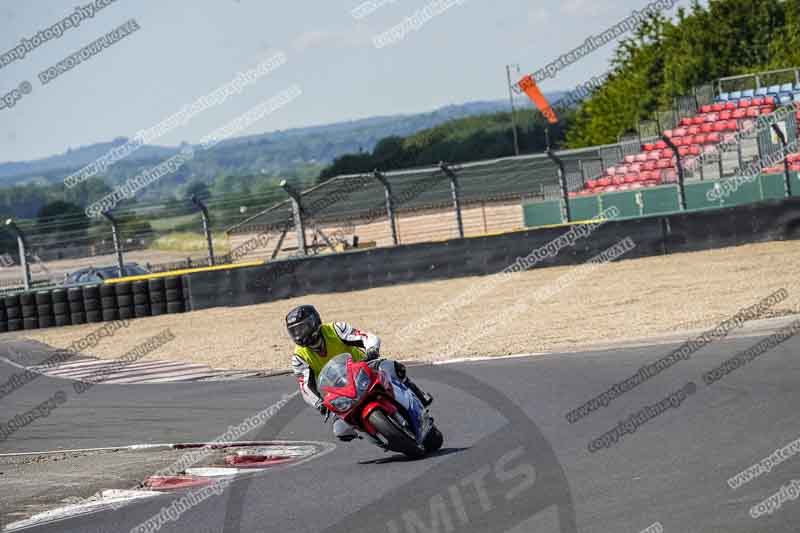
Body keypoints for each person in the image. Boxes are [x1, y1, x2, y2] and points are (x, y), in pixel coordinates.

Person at [287, 304, 432, 441]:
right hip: (337, 391)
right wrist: (320, 404)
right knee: (340, 431)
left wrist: (372, 350)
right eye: (295, 331)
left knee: (393, 368)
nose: (300, 334)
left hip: (363, 368)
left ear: (314, 322)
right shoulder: (299, 356)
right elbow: (305, 387)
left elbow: (366, 337)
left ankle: (419, 395)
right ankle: (371, 434)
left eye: (303, 328)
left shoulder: (335, 329)